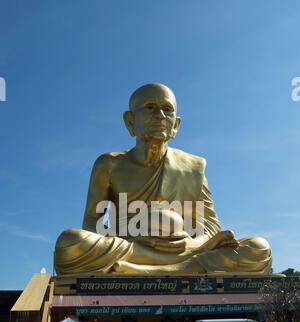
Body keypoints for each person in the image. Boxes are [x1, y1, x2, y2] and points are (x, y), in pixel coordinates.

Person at [54, 83, 272, 276]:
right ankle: (182, 267)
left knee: (258, 248)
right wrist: (133, 237)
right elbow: (93, 222)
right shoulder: (110, 164)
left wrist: (191, 244)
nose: (159, 115)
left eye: (167, 109)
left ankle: (165, 267)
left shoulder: (193, 166)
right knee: (69, 243)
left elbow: (211, 227)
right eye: (150, 107)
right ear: (130, 121)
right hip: (133, 246)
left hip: (184, 248)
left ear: (176, 124)